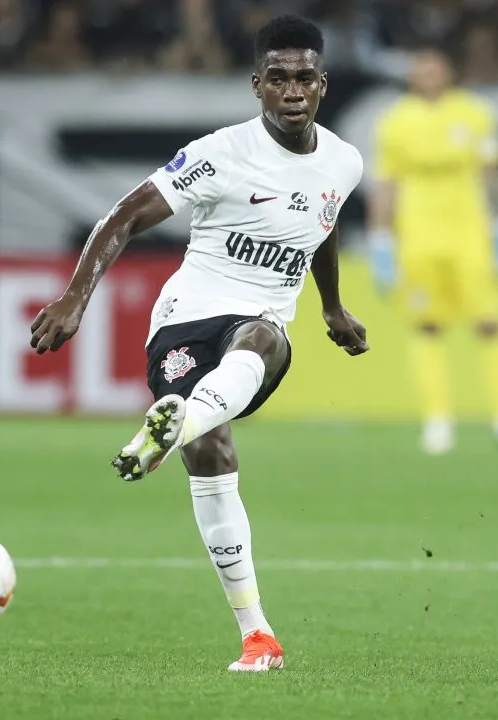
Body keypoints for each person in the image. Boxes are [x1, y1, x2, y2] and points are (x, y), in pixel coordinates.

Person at [30, 15, 368, 672]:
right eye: (278, 78)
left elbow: (321, 224)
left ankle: (176, 430)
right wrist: (75, 296)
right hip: (185, 319)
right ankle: (256, 631)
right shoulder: (220, 154)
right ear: (256, 85)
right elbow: (125, 215)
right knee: (213, 447)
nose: (292, 90)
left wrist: (331, 306)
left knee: (261, 339)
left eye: (304, 77)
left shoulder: (344, 161)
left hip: (255, 324)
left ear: (322, 84)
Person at [368, 48, 498, 456]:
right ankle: (437, 422)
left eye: (435, 69)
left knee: (491, 323)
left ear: (448, 72)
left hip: (470, 236)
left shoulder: (475, 112)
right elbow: (386, 183)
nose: (429, 76)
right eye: (422, 70)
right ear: (412, 77)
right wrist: (380, 240)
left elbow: (491, 172)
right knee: (427, 326)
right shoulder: (395, 121)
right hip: (418, 238)